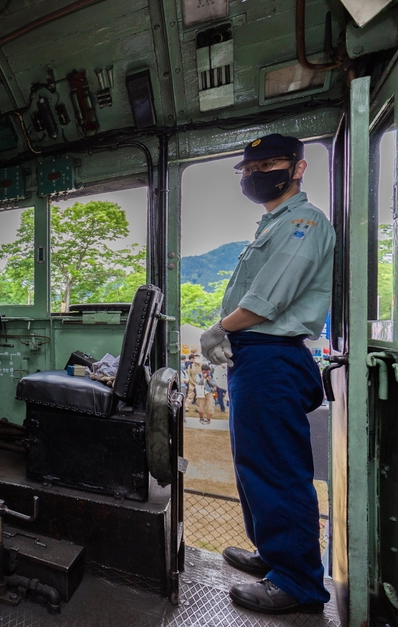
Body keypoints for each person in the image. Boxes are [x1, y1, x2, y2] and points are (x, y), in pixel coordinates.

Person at [199, 134, 334, 614]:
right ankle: (274, 557)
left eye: (268, 164)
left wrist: (219, 328)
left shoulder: (304, 221)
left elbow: (269, 298)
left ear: (297, 168)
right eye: (247, 168)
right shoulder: (270, 226)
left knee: (278, 468)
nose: (254, 174)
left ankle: (299, 583)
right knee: (253, 465)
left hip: (272, 355)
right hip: (253, 356)